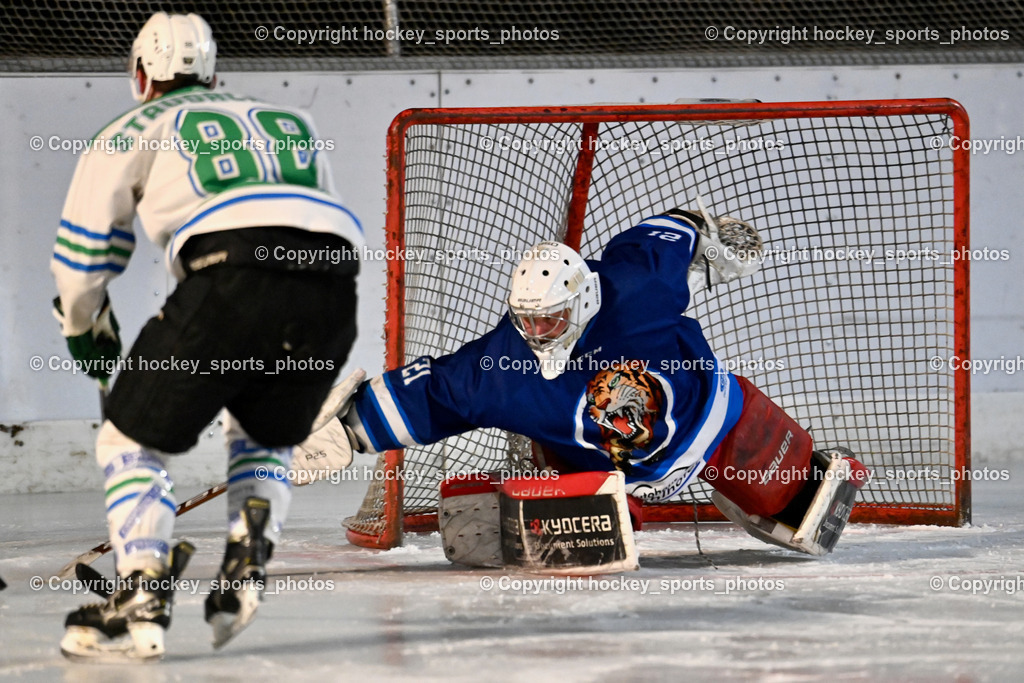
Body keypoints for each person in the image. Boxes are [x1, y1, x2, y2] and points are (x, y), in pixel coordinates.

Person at [52, 12, 361, 660]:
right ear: (215, 72)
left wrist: (86, 330)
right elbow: (312, 228)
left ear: (141, 75)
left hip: (231, 274)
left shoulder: (131, 127)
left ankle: (139, 598)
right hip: (333, 285)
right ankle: (243, 575)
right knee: (264, 433)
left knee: (127, 438)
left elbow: (81, 261)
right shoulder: (286, 120)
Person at [330, 204, 868, 567]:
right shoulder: (500, 366)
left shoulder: (634, 286)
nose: (539, 333)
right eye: (529, 321)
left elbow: (680, 228)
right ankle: (537, 511)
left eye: (552, 319)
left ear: (583, 298)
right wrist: (344, 433)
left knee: (799, 499)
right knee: (579, 544)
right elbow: (432, 393)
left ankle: (782, 483)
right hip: (612, 483)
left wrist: (712, 243)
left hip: (716, 419)